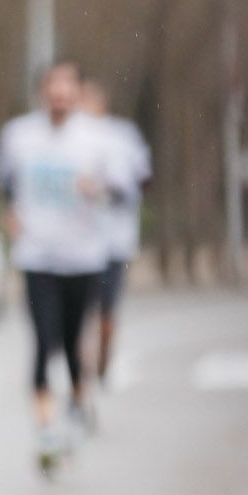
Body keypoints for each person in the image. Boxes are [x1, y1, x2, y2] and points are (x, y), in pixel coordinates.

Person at [0, 62, 129, 475]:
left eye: (68, 88)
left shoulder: (97, 138)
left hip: (84, 258)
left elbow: (124, 191)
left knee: (72, 346)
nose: (60, 95)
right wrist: (10, 213)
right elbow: (3, 183)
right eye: (54, 87)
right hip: (36, 257)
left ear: (76, 93)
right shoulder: (18, 136)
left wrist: (98, 188)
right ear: (43, 92)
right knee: (42, 341)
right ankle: (46, 430)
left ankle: (75, 411)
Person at [80, 79, 151, 391]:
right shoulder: (68, 138)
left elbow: (143, 180)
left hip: (115, 242)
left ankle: (104, 362)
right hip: (78, 243)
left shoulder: (123, 136)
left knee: (107, 313)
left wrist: (110, 192)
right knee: (81, 314)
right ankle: (80, 372)